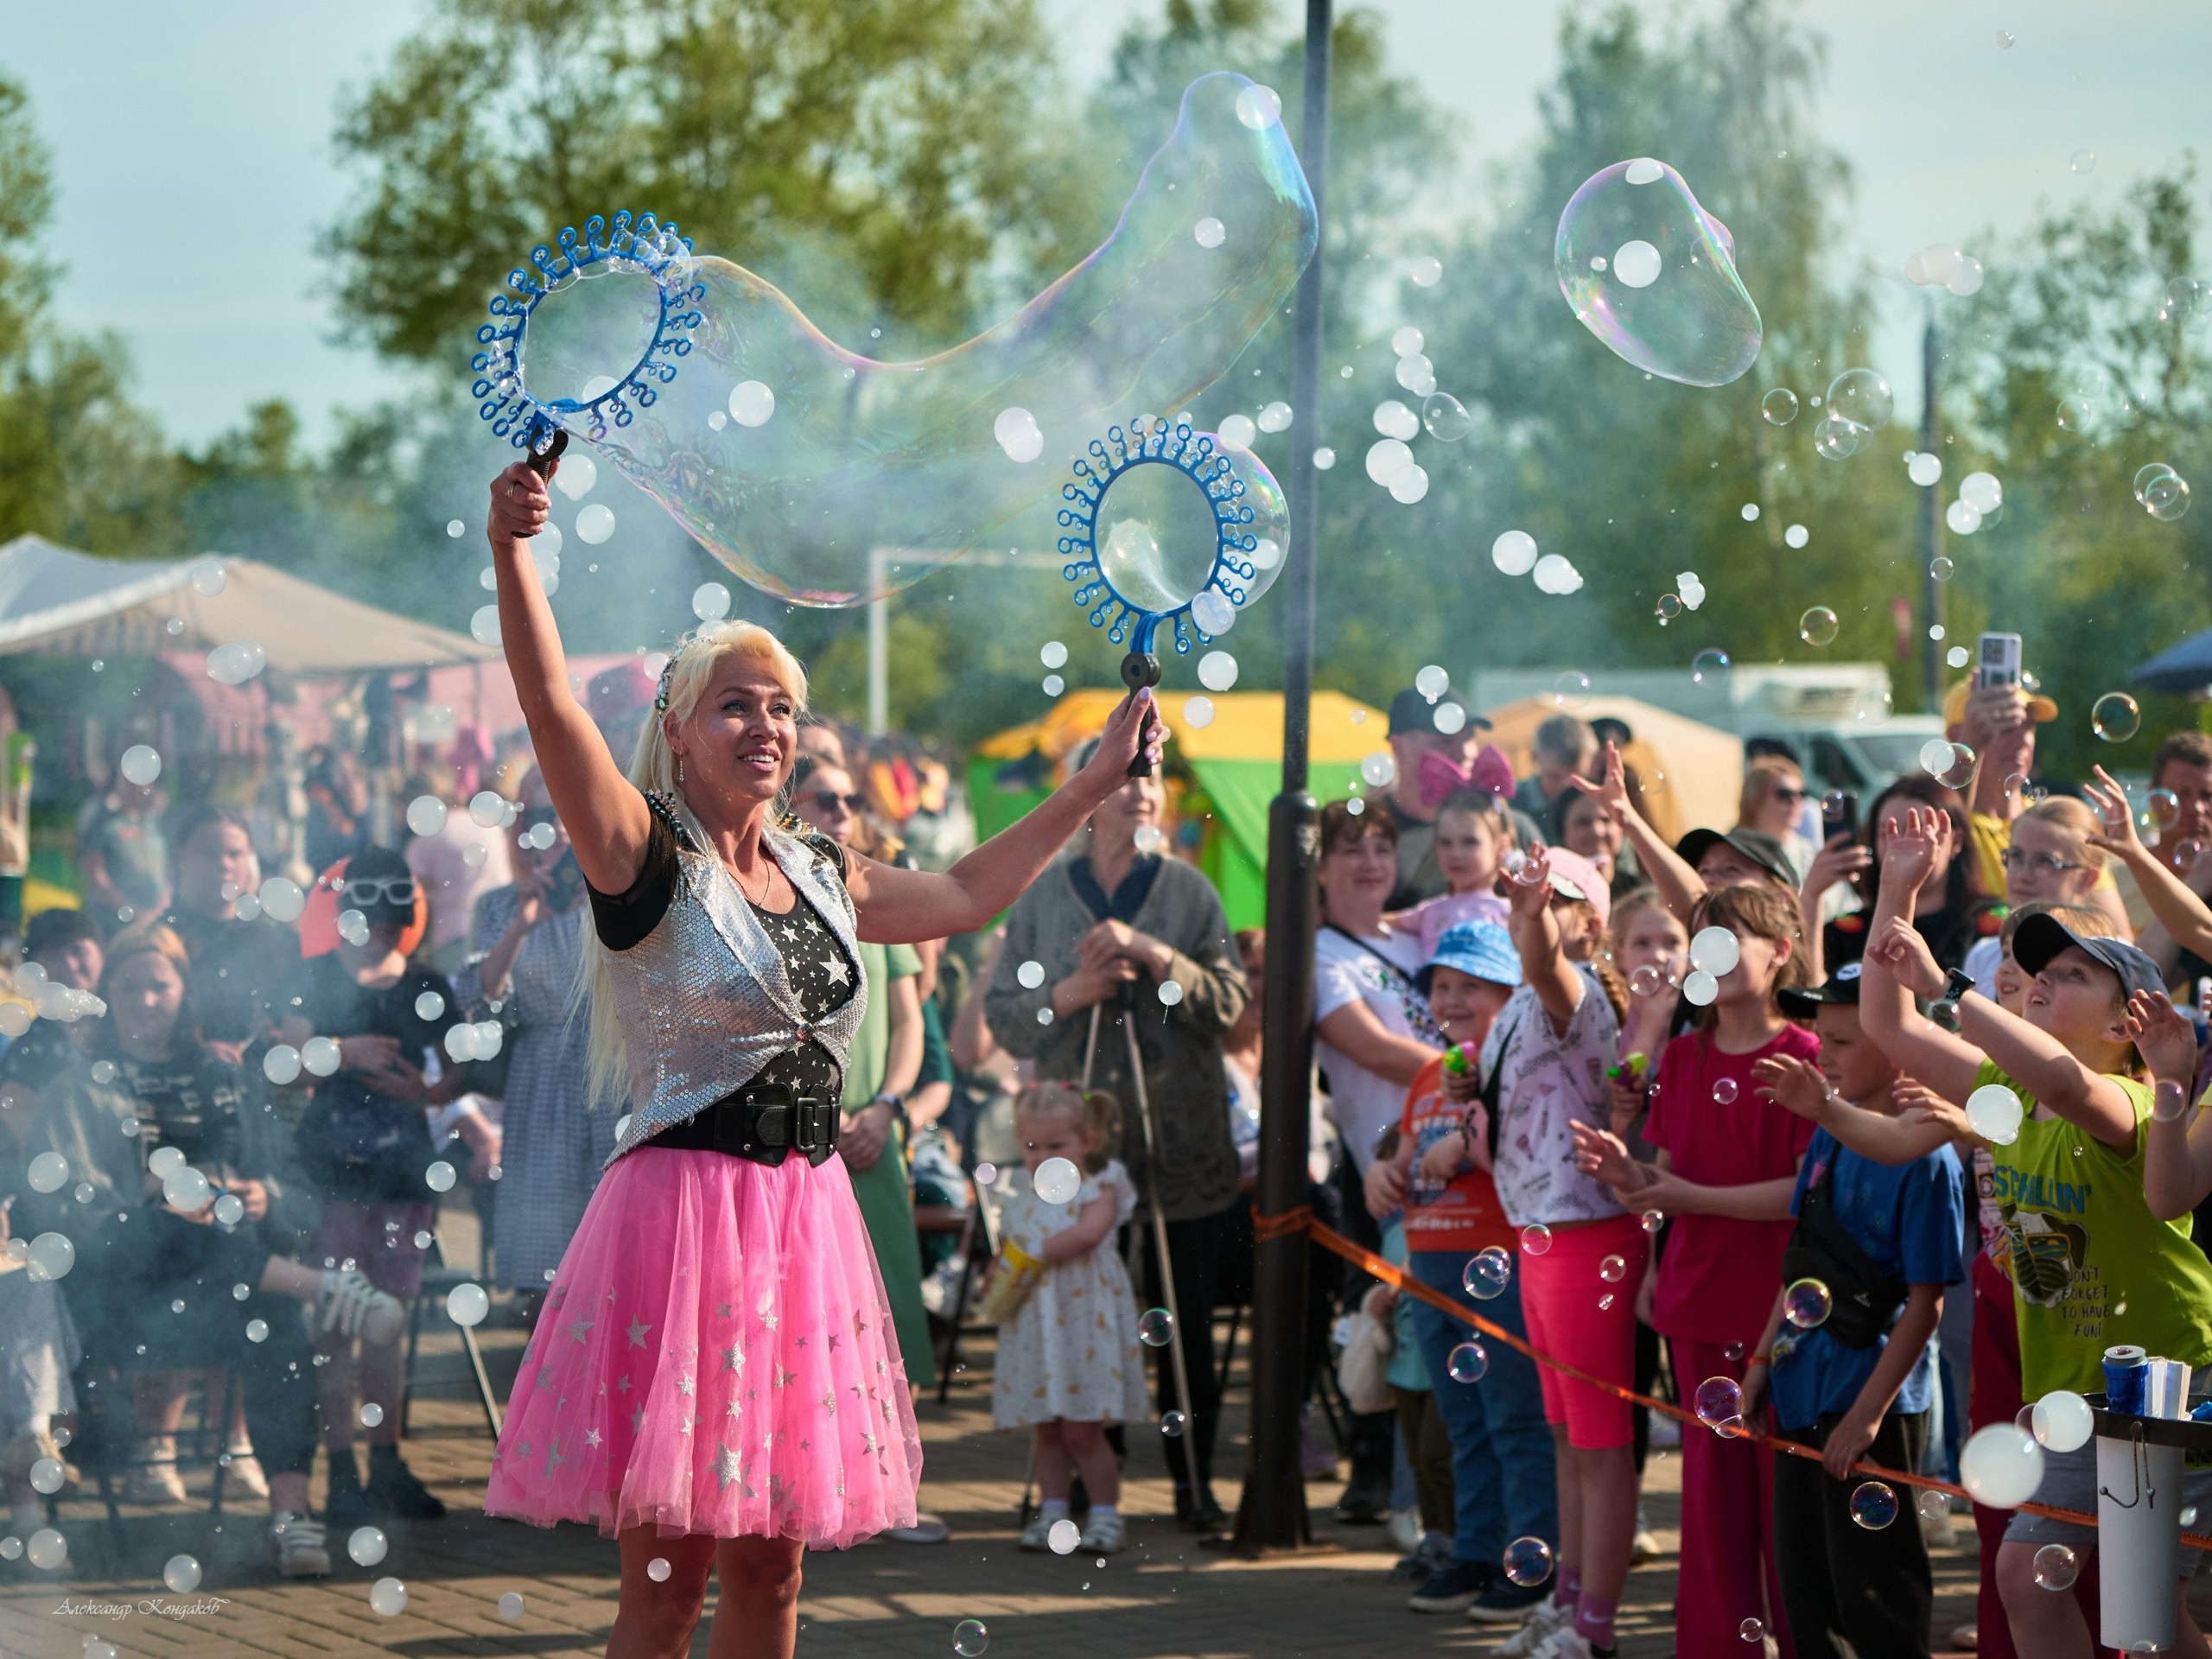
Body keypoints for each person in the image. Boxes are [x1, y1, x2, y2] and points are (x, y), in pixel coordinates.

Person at [474, 456, 1157, 1659]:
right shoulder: (641, 852)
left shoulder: (823, 868)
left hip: (804, 1223)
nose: (767, 726)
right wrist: (512, 550)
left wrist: (1091, 783)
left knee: (774, 1569)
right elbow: (551, 710)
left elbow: (964, 892)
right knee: (667, 1583)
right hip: (682, 1226)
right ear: (677, 732)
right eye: (735, 705)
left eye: (782, 707)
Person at [1847, 807, 2212, 1658]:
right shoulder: (2006, 1098)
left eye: (2074, 974)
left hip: (2157, 1383)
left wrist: (1948, 986)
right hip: (2070, 1392)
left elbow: (2063, 1081)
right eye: (2039, 970)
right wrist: (1896, 888)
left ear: (2126, 1025)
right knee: (2026, 1576)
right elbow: (1888, 1027)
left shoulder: (2127, 1100)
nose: (2043, 981)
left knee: (2145, 1613)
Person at [10, 922, 407, 1578]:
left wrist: (262, 1196)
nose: (145, 1001)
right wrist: (145, 1206)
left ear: (183, 992)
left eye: (158, 985)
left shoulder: (230, 1081)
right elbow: (59, 1218)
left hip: (221, 1297)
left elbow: (298, 1196)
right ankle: (328, 1290)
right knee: (170, 1224)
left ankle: (291, 1518)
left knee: (275, 1322)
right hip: (122, 1305)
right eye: (129, 987)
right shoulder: (77, 1090)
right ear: (108, 995)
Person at [983, 732, 1248, 1530]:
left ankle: (1193, 1483)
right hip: (1074, 1157)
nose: (1141, 790)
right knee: (1076, 1321)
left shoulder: (1189, 892)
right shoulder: (1042, 898)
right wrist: (1072, 992)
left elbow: (1231, 1005)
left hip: (1178, 1151)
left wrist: (1155, 954)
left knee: (1183, 1327)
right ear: (1087, 797)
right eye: (1124, 777)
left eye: (1152, 776)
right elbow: (1003, 1018)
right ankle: (1089, 1491)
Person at [1573, 882, 1818, 1658]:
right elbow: (1666, 1177)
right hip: (1697, 1295)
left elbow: (1802, 1194)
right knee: (1711, 1501)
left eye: (1732, 937)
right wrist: (1629, 1180)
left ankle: (1803, 1639)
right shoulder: (1683, 1056)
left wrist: (1688, 1198)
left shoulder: (1806, 1057)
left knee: (1784, 1501)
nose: (1713, 954)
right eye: (1703, 938)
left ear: (1781, 952)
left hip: (1780, 1305)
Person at [1742, 969, 1966, 1659]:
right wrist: (1760, 1363)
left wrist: (1867, 1416)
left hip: (1873, 1401)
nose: (1822, 1055)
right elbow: (1802, 1265)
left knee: (1874, 1592)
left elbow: (1927, 1302)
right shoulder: (1829, 1133)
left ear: (1901, 1049)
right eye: (1820, 1038)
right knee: (1807, 1590)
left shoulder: (1926, 1157)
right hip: (1800, 1384)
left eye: (1841, 1041)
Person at [1464, 849, 1637, 1659]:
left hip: (1586, 1236)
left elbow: (1543, 962)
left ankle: (1594, 1625)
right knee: (1568, 1439)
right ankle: (1566, 1604)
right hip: (1540, 1236)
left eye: (1551, 896)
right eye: (1515, 895)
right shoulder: (1517, 1008)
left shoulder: (1575, 990)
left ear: (1589, 922)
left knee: (1601, 1445)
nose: (1525, 905)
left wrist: (1534, 919)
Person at [1361, 920, 1555, 1624]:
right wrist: (1383, 1175)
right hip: (1432, 1268)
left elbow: (1533, 1153)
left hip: (1499, 1263)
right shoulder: (1425, 1074)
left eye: (1470, 985)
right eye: (1441, 985)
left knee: (1515, 1419)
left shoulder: (1520, 1065)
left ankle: (1533, 1560)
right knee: (1463, 1422)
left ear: (1510, 994)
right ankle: (1475, 1550)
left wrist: (1467, 1145)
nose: (1450, 998)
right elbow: (1404, 1156)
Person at [292, 844, 471, 1524]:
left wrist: (428, 1091)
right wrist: (344, 1054)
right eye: (370, 918)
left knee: (388, 1324)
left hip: (402, 1179)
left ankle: (386, 1462)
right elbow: (286, 1063)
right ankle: (341, 1469)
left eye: (393, 921)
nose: (379, 931)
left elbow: (459, 1065)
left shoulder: (426, 983)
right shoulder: (315, 978)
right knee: (336, 1324)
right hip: (331, 1178)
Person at [1311, 798, 1445, 1523]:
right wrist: (1480, 1070)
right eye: (1351, 849)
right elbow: (1371, 1048)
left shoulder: (1420, 933)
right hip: (1390, 1170)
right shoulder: (1320, 954)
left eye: (1382, 848)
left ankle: (1437, 1503)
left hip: (1461, 1155)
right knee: (1398, 1332)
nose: (1370, 863)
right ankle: (1391, 1493)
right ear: (1321, 866)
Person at [460, 770, 601, 1332]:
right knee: (548, 1276)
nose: (558, 830)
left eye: (569, 810)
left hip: (617, 1080)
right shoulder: (501, 906)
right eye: (542, 817)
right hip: (543, 1085)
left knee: (622, 1261)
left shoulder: (624, 891)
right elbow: (479, 1005)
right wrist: (521, 926)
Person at [992, 1084, 1147, 1555]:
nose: (1042, 1157)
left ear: (1088, 1141)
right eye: (1032, 1146)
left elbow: (1089, 1233)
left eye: (1056, 1146)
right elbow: (1007, 1250)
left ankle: (1106, 1515)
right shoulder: (1021, 1195)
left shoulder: (1100, 1187)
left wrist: (1036, 1252)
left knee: (1083, 1428)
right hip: (1040, 1326)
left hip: (1083, 1327)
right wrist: (996, 1276)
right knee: (1048, 1428)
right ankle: (1053, 1515)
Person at [162, 803, 305, 1063]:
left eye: (235, 854)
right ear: (180, 857)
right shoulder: (161, 940)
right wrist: (195, 1052)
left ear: (250, 858)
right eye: (210, 854)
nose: (224, 864)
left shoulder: (277, 939)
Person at [1815, 778, 1975, 976]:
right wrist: (1811, 897)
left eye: (1916, 831)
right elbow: (1810, 990)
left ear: (1956, 841)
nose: (1900, 845)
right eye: (1886, 833)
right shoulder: (1847, 932)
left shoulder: (1987, 930)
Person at [1958, 797, 2110, 998]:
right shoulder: (1985, 955)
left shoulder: (2108, 959)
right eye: (2016, 856)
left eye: (2045, 861)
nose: (2023, 875)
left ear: (2086, 879)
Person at [1383, 685, 1492, 907]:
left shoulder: (1506, 825)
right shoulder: (1367, 835)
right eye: (1446, 740)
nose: (1465, 753)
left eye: (1469, 737)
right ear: (1399, 747)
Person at [404, 773, 515, 976]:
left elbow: (414, 897)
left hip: (453, 935)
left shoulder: (423, 842)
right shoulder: (490, 825)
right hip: (503, 929)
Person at [0, 909, 105, 1108]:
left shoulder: (131, 1022)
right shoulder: (27, 1053)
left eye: (79, 951)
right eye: (55, 957)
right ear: (33, 972)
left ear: (102, 953)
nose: (70, 965)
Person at [1395, 788, 1514, 957]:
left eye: (1470, 842)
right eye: (1445, 842)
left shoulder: (1511, 913)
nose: (1455, 854)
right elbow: (1370, 925)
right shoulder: (1429, 912)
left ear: (1500, 847)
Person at [78, 768, 170, 931]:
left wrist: (159, 910)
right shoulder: (103, 823)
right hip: (113, 922)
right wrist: (132, 911)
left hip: (156, 920)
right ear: (117, 786)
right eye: (131, 783)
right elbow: (94, 872)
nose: (138, 789)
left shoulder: (157, 825)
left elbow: (170, 870)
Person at [1515, 715, 1594, 842]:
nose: (1566, 787)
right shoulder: (1510, 805)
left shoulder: (1598, 805)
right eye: (1554, 777)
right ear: (1534, 757)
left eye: (1577, 779)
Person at [1738, 756, 1815, 884]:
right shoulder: (1730, 851)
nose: (1795, 802)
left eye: (1801, 794)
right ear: (1755, 797)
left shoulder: (1810, 855)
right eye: (1784, 794)